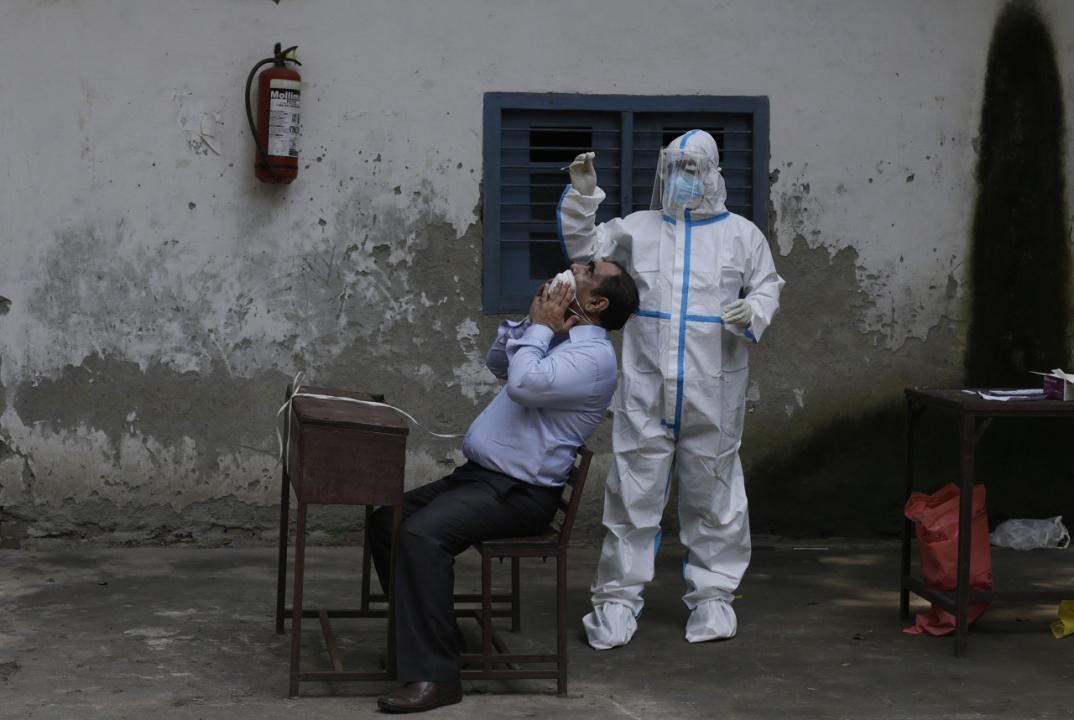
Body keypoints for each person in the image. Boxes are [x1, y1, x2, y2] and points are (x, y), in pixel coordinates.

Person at [368, 260, 639, 713]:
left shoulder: (592, 358)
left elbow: (523, 384)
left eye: (588, 268)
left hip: (519, 493)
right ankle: (429, 637)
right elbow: (499, 364)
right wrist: (534, 319)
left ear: (597, 302)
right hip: (483, 480)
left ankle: (437, 676)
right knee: (386, 523)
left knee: (421, 536)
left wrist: (540, 330)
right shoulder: (559, 335)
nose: (573, 265)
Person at [558, 129, 784, 648]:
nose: (682, 180)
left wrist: (753, 311)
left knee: (715, 495)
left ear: (712, 173)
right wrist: (584, 198)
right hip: (647, 389)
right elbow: (585, 250)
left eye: (692, 169)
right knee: (632, 493)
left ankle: (713, 597)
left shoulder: (742, 235)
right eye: (674, 169)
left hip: (714, 389)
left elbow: (768, 285)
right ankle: (615, 600)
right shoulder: (638, 228)